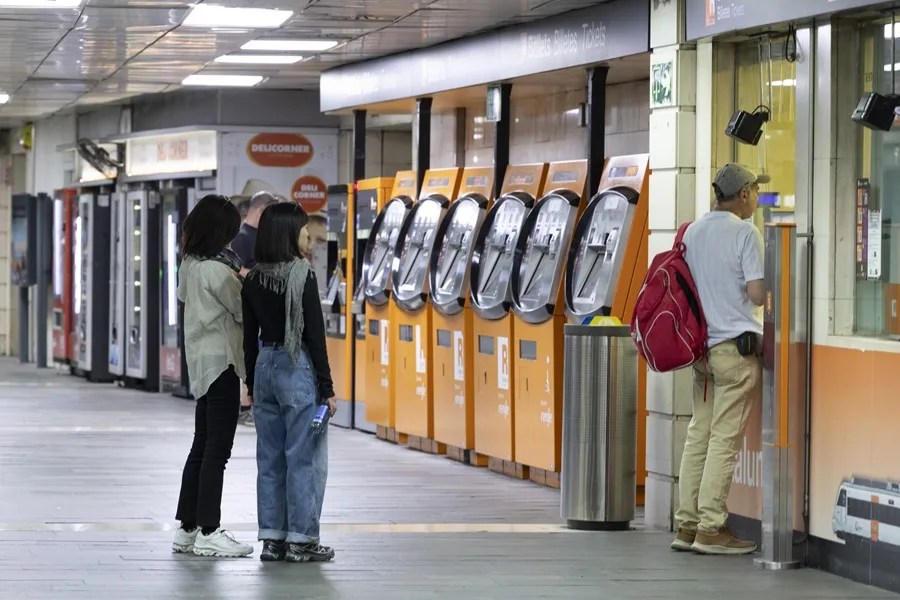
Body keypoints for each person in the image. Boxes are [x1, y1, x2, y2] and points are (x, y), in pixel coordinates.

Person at [671, 163, 767, 556]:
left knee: (699, 435)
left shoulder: (693, 231)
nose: (757, 200)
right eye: (755, 193)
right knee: (723, 440)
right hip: (735, 352)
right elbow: (758, 294)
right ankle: (712, 527)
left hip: (702, 353)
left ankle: (687, 525)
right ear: (743, 194)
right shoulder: (746, 232)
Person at [242, 202, 337, 563]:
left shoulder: (252, 279)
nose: (307, 238)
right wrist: (327, 389)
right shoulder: (302, 274)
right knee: (304, 458)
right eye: (302, 230)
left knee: (269, 458)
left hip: (265, 366)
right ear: (287, 234)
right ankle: (302, 540)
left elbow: (249, 337)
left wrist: (251, 384)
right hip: (297, 368)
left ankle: (272, 539)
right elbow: (314, 335)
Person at [173, 194, 254, 558]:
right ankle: (209, 530)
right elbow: (243, 309)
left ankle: (187, 528)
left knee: (201, 444)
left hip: (201, 361)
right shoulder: (219, 271)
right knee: (217, 450)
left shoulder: (190, 264)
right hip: (222, 363)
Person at [232, 191, 281, 426]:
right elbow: (232, 269)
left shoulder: (258, 237)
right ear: (261, 211)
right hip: (246, 310)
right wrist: (259, 276)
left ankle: (251, 404)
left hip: (258, 309)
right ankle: (245, 406)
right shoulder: (241, 239)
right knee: (250, 357)